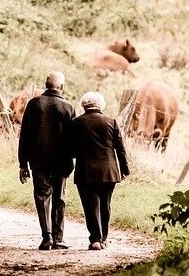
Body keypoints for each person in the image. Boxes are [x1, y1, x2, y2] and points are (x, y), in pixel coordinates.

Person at [18, 71, 76, 250]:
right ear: (62, 87)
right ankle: (59, 238)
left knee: (42, 196)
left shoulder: (34, 104)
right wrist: (73, 158)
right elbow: (73, 139)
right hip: (62, 161)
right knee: (59, 198)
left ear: (45, 84)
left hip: (39, 160)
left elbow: (25, 136)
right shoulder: (68, 107)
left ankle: (47, 236)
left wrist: (23, 164)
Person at [70, 91, 130, 250]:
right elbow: (120, 149)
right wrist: (124, 169)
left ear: (84, 105)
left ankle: (95, 239)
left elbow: (71, 149)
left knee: (90, 206)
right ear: (101, 105)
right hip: (108, 171)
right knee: (105, 204)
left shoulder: (76, 123)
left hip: (85, 171)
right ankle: (104, 238)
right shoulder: (112, 122)